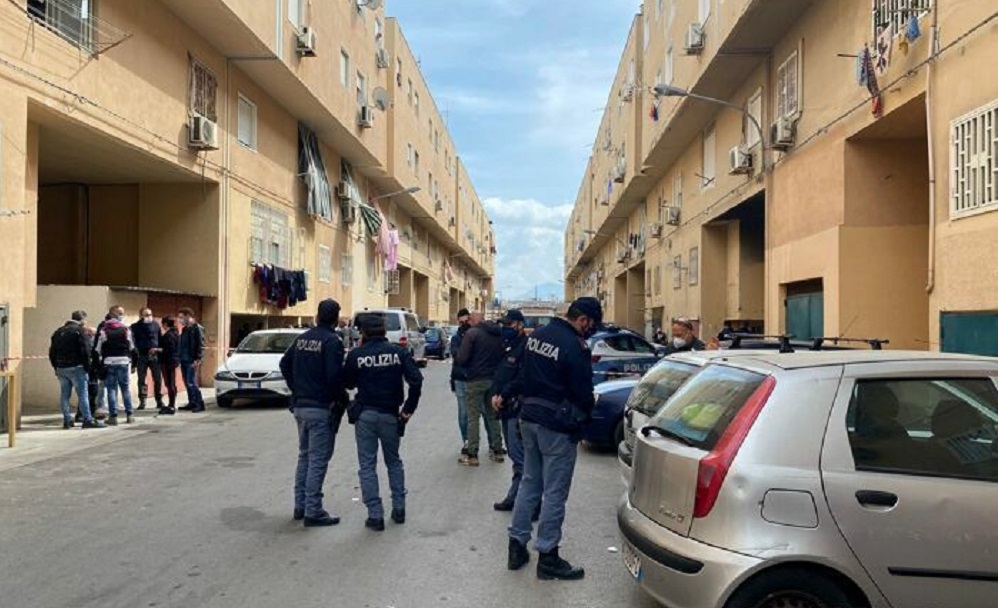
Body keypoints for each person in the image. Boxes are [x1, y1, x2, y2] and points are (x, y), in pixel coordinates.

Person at [505, 297, 602, 581]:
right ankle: (548, 556)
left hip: (528, 418)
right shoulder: (575, 346)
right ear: (582, 320)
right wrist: (586, 416)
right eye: (590, 324)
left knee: (529, 483)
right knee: (555, 493)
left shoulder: (538, 335)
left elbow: (523, 375)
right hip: (556, 426)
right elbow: (582, 391)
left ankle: (516, 547)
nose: (590, 330)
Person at [343, 313, 423, 531]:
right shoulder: (398, 352)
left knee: (367, 465)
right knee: (394, 462)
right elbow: (416, 380)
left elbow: (348, 383)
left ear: (363, 333)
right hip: (390, 415)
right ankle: (399, 508)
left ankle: (375, 515)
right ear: (385, 331)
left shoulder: (357, 354)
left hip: (365, 414)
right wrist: (408, 410)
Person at [279, 299, 347, 528]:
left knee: (305, 457)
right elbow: (334, 377)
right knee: (317, 460)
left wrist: (296, 388)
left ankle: (300, 505)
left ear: (318, 316)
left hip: (301, 405)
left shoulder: (302, 338)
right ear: (335, 318)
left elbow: (284, 364)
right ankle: (313, 510)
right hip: (320, 407)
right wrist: (338, 398)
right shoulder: (332, 341)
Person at [455, 311, 506, 466]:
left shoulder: (472, 334)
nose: (468, 322)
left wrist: (468, 366)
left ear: (473, 320)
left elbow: (461, 358)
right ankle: (497, 450)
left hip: (475, 379)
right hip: (493, 380)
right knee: (492, 416)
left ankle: (472, 454)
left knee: (473, 417)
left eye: (469, 320)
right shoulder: (497, 333)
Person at [490, 310, 529, 511]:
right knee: (516, 457)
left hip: (516, 408)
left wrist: (503, 395)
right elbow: (501, 375)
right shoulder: (509, 346)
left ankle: (525, 501)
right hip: (505, 408)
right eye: (504, 325)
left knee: (520, 458)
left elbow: (522, 379)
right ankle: (515, 497)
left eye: (510, 324)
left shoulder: (525, 347)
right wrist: (495, 394)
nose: (506, 328)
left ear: (520, 325)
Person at [48, 310, 103, 429]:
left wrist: (55, 367)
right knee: (83, 394)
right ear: (82, 320)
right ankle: (87, 419)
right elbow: (85, 350)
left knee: (65, 395)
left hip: (61, 367)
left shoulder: (58, 332)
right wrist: (87, 367)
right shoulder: (80, 331)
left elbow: (52, 352)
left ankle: (67, 420)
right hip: (77, 367)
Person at [97, 309, 135, 426]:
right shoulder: (126, 330)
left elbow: (98, 349)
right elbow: (132, 347)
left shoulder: (104, 331)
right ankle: (130, 415)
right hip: (123, 361)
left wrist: (100, 362)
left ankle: (113, 417)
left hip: (109, 362)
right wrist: (133, 363)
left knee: (111, 389)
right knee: (125, 388)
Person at [131, 308, 164, 411]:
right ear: (141, 316)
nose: (149, 316)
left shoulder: (156, 325)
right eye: (146, 315)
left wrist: (159, 350)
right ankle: (142, 400)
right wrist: (134, 358)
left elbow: (160, 339)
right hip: (142, 356)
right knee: (142, 380)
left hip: (155, 356)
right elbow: (133, 342)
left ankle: (159, 400)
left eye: (150, 314)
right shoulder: (135, 327)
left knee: (157, 379)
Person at [449, 308, 471, 457]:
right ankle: (467, 441)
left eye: (466, 321)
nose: (464, 325)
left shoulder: (476, 335)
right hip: (460, 379)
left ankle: (493, 443)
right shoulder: (456, 338)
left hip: (476, 378)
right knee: (463, 413)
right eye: (462, 322)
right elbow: (457, 356)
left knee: (483, 412)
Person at [177, 307, 206, 413]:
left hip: (192, 360)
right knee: (187, 382)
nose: (180, 320)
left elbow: (201, 345)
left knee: (191, 382)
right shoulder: (185, 329)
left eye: (181, 317)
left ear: (188, 316)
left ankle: (199, 403)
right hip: (183, 359)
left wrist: (198, 358)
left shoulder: (197, 328)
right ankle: (192, 402)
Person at [158, 316, 181, 415]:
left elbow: (168, 349)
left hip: (168, 361)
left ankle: (171, 405)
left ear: (165, 324)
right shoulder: (176, 333)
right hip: (173, 361)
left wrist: (158, 350)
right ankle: (171, 404)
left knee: (170, 383)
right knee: (171, 383)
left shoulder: (169, 335)